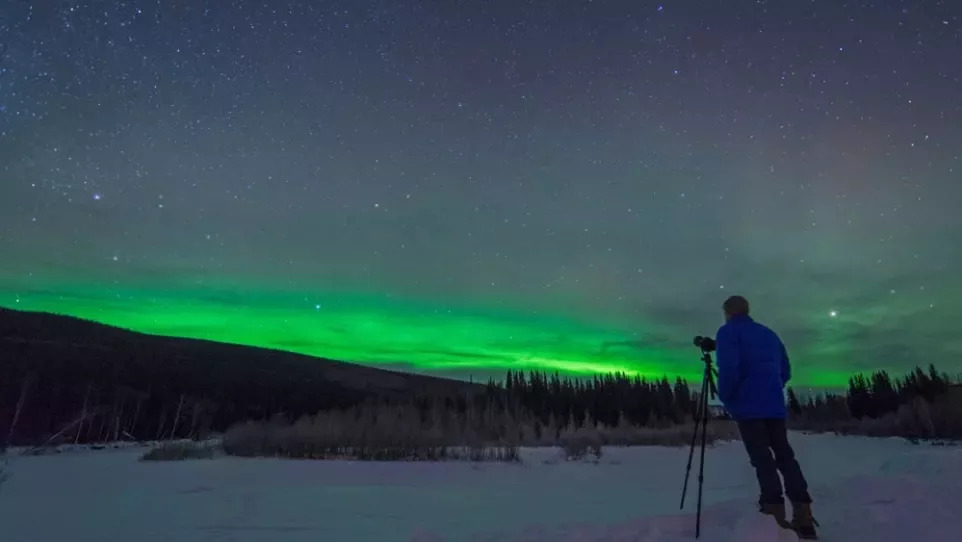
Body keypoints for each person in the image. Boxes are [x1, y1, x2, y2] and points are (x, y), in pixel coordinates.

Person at [714, 295, 818, 540]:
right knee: (785, 456)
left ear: (727, 312)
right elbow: (785, 370)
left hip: (749, 408)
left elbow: (730, 369)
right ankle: (803, 516)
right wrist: (770, 388)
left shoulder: (728, 332)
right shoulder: (768, 334)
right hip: (773, 406)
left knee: (762, 459)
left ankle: (774, 516)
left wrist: (727, 398)